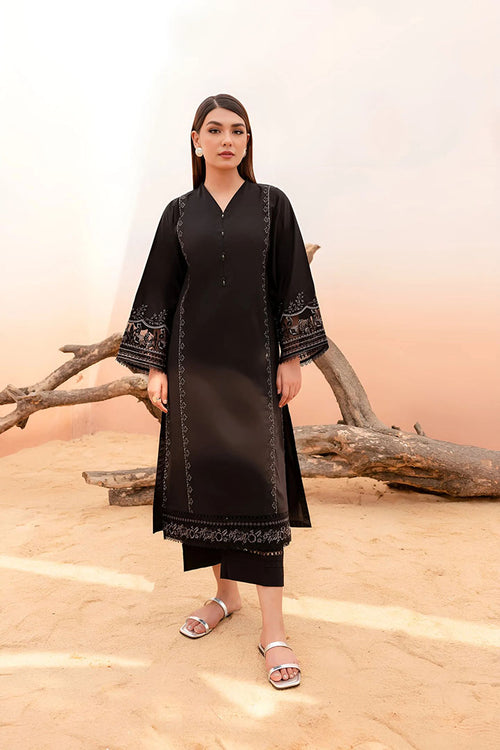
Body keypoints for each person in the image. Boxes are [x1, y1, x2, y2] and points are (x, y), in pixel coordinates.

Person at [116, 93, 329, 689]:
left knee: (261, 490)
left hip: (256, 371)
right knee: (206, 482)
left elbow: (292, 279)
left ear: (247, 140)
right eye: (215, 130)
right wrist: (154, 367)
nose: (227, 139)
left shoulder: (272, 205)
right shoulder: (179, 213)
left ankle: (274, 631)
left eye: (238, 130)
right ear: (196, 140)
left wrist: (292, 356)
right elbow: (158, 288)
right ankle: (224, 597)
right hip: (193, 370)